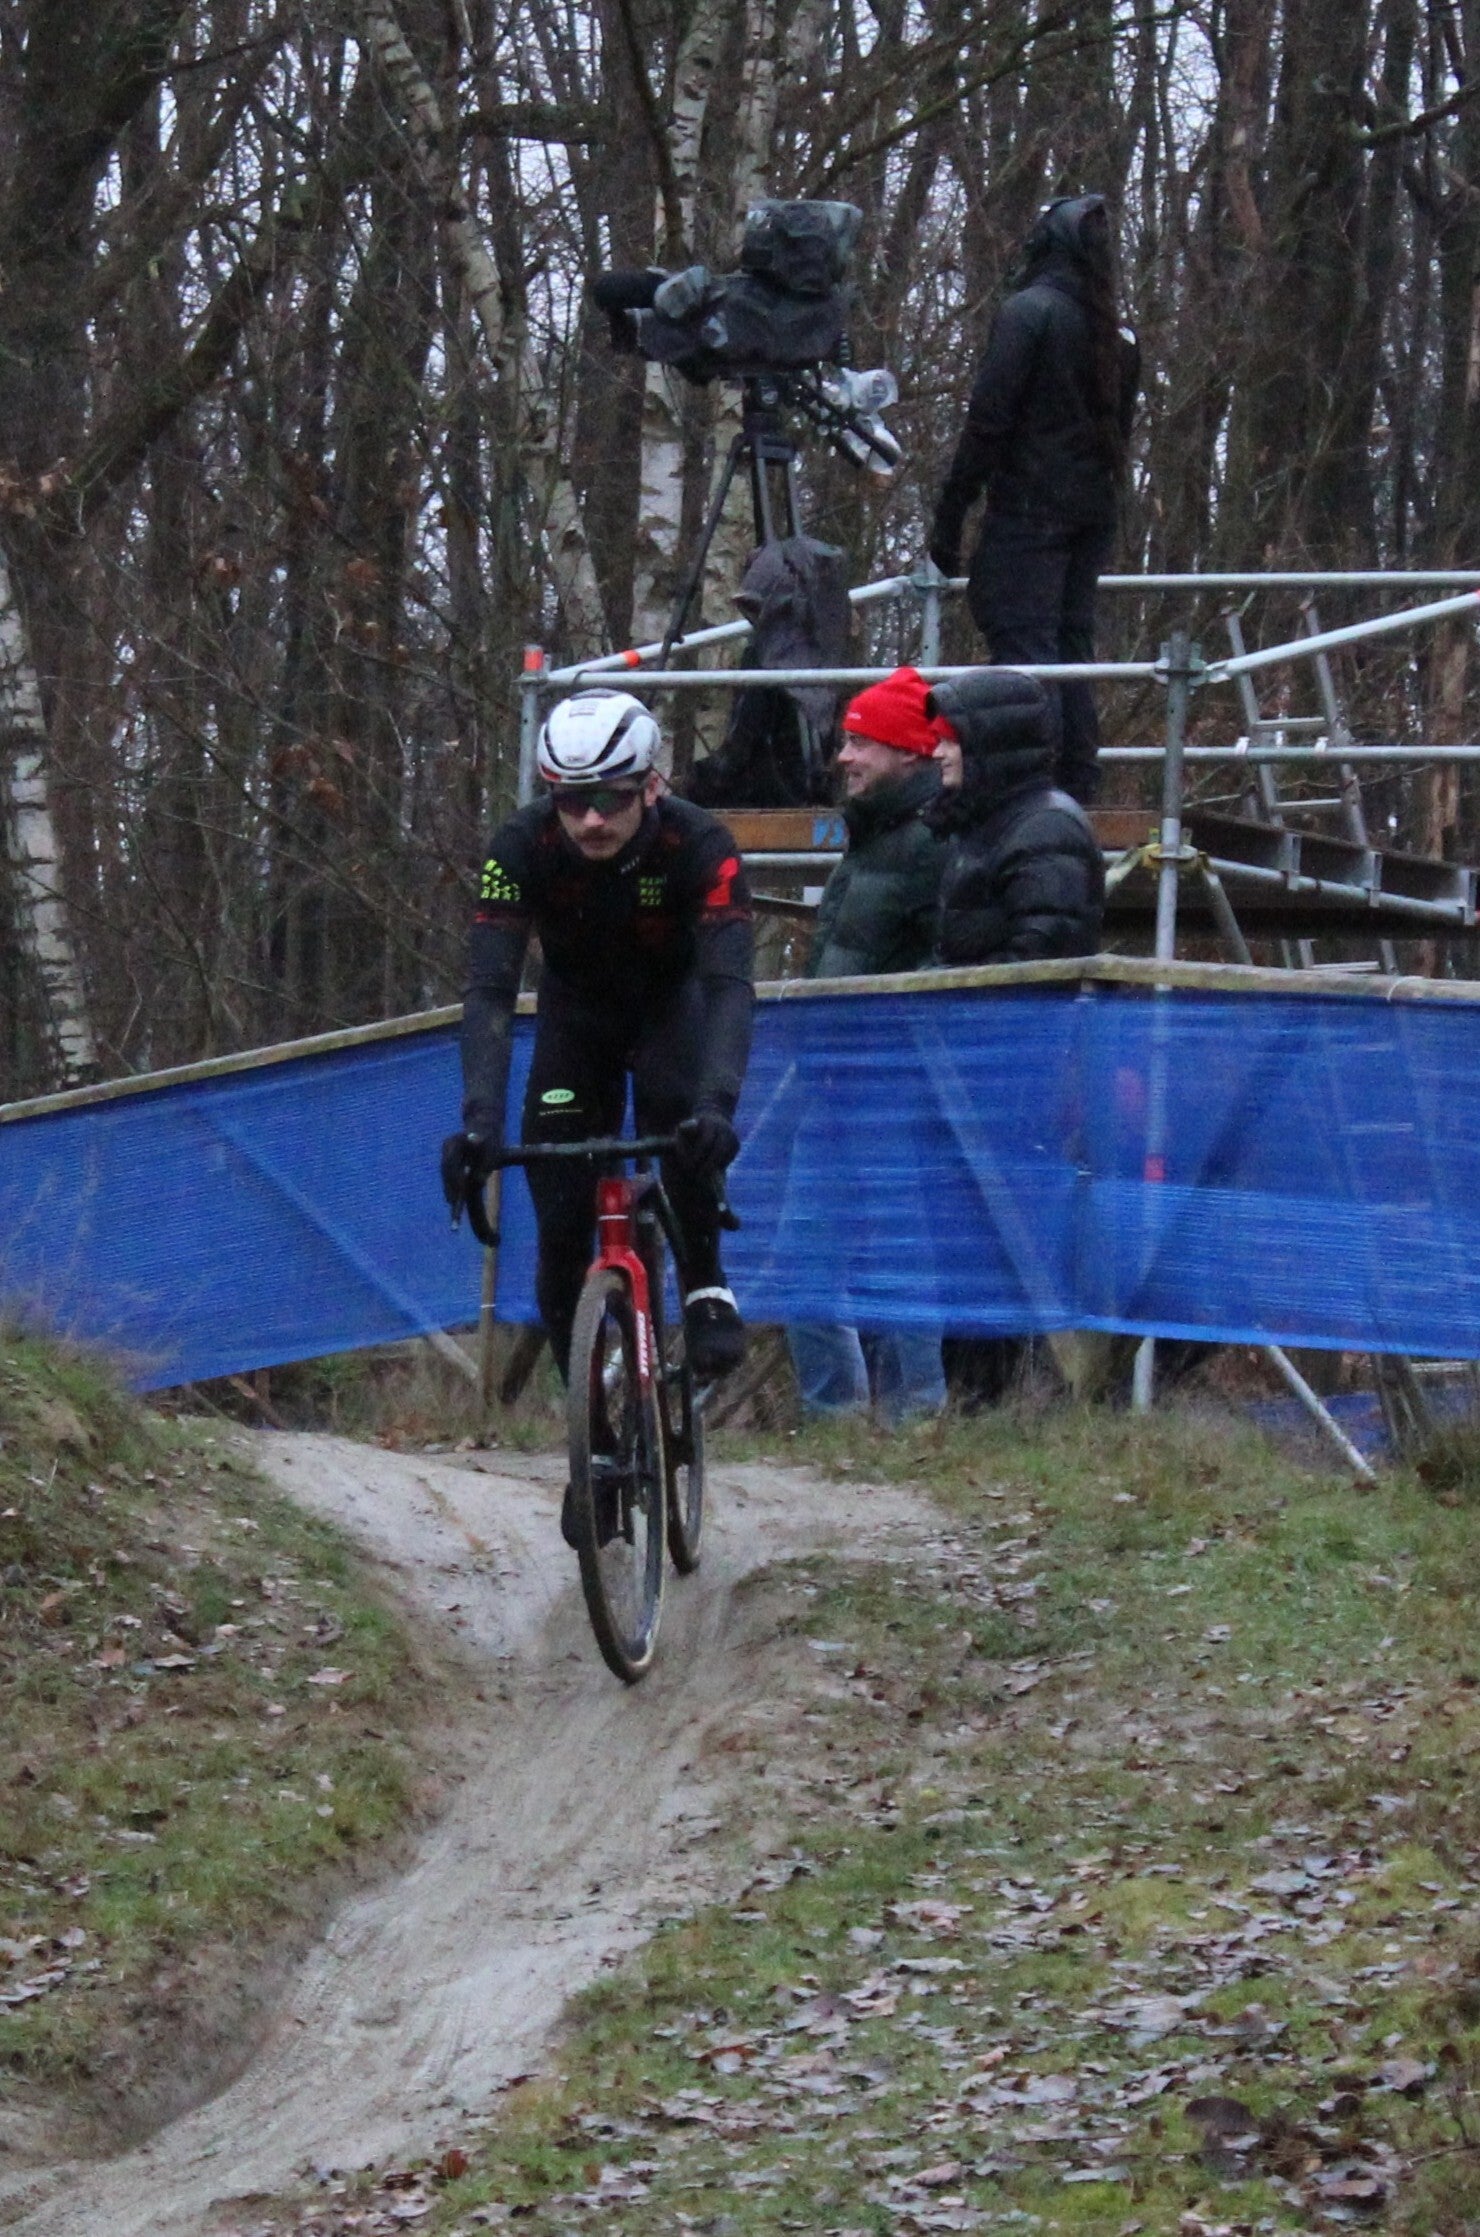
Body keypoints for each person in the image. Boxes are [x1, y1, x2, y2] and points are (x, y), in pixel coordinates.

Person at [441, 691, 754, 1536]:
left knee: (680, 1117)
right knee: (558, 1228)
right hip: (576, 1020)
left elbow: (730, 986)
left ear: (651, 785)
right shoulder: (521, 846)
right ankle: (598, 1442)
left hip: (671, 1009)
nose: (589, 819)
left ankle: (705, 1278)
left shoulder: (701, 843)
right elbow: (489, 990)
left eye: (610, 798)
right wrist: (478, 1121)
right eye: (569, 798)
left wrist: (719, 1106)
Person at [926, 194, 1139, 806]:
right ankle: (1075, 782)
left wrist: (951, 512)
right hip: (1089, 511)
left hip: (1031, 511)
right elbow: (1118, 434)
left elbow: (989, 419)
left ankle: (1037, 788)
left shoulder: (1032, 314)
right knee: (1068, 646)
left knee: (1028, 647)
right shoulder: (1115, 334)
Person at [786, 666, 948, 1424]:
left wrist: (884, 1040)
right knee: (803, 1258)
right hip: (832, 1081)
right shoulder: (873, 836)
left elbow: (948, 960)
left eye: (862, 743)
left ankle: (916, 1419)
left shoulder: (928, 842)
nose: (844, 756)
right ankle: (836, 1425)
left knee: (899, 1257)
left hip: (888, 1085)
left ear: (908, 752)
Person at [924, 667, 1105, 962]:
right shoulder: (986, 819)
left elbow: (1042, 962)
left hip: (999, 992)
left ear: (987, 743)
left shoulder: (1047, 830)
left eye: (950, 741)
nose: (937, 753)